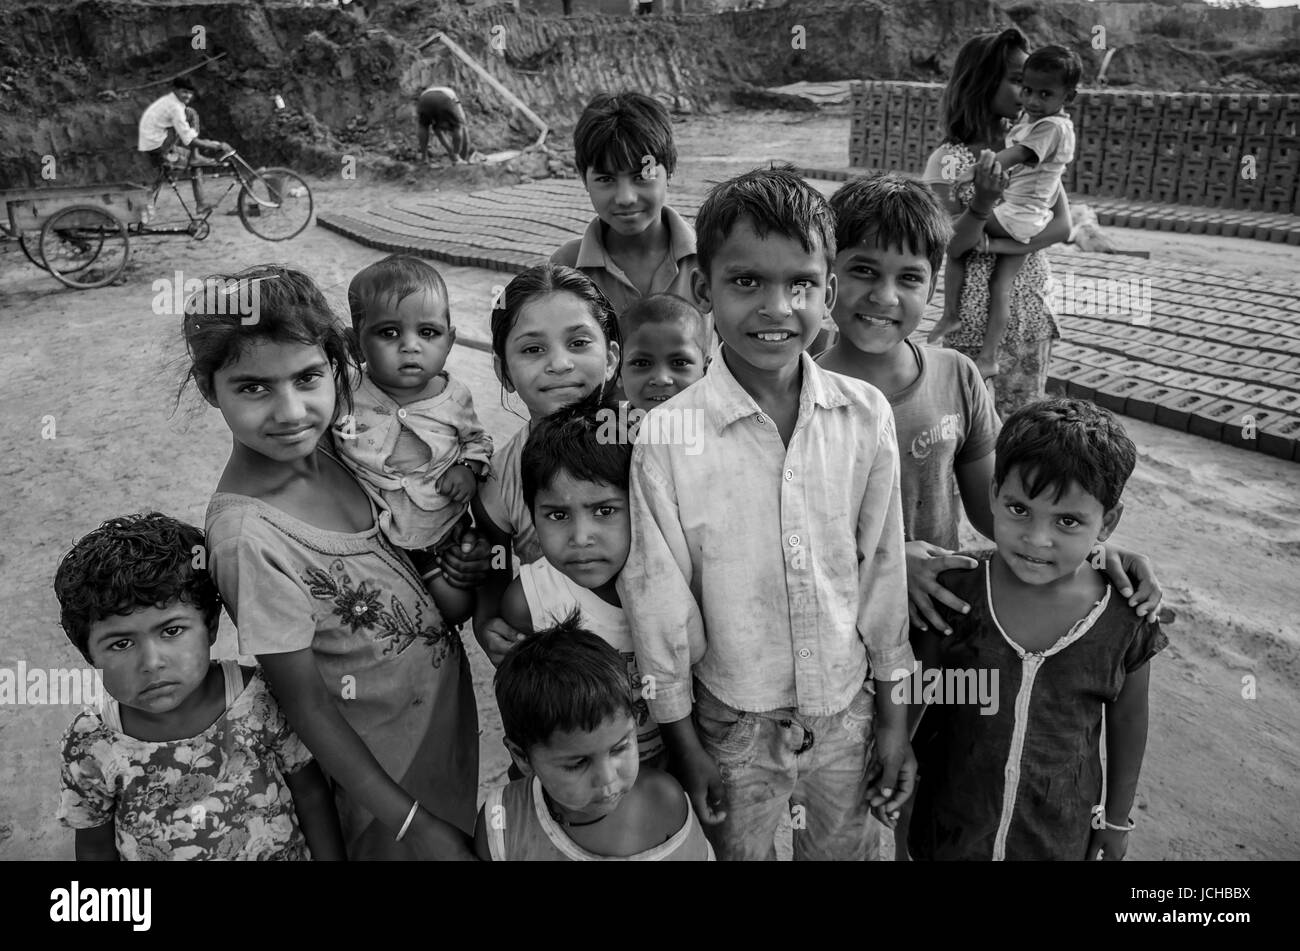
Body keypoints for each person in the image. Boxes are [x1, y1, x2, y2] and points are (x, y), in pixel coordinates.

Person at [816, 171, 1165, 859]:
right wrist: (883, 563)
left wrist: (1094, 554)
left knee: (945, 768)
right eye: (861, 270)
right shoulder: (801, 382)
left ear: (933, 281)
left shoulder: (955, 377)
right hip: (833, 632)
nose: (885, 297)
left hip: (939, 629)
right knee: (843, 810)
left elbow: (1001, 510)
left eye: (909, 278)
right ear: (827, 272)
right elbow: (777, 526)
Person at [620, 166, 915, 861]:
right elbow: (657, 603)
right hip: (732, 726)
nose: (776, 308)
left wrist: (893, 718)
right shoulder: (666, 437)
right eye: (746, 281)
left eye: (801, 285)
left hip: (847, 714)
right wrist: (685, 743)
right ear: (703, 289)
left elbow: (883, 574)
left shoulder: (863, 415)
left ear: (829, 293)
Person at [187, 266, 491, 860]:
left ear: (337, 365)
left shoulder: (341, 446)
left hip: (438, 731)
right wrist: (410, 824)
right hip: (379, 790)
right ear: (209, 387)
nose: (291, 410)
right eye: (253, 387)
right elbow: (306, 708)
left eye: (308, 377)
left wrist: (456, 571)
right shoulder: (249, 538)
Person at [907, 398, 1167, 861]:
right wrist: (896, 761)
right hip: (948, 826)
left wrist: (1115, 818)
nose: (1037, 539)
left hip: (1058, 832)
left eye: (1067, 521)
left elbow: (1127, 720)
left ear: (1107, 522)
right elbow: (919, 692)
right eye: (1019, 509)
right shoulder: (955, 592)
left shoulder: (1123, 617)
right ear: (992, 495)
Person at [55, 513, 344, 861]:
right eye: (120, 644)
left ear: (209, 625)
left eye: (172, 631)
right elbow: (94, 846)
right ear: (89, 654)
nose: (151, 662)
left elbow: (311, 795)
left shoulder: (261, 700)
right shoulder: (91, 742)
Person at [470, 264, 622, 667]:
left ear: (610, 358)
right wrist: (487, 622)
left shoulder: (648, 444)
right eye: (533, 349)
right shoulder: (500, 480)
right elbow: (495, 565)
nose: (559, 364)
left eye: (578, 343)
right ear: (504, 371)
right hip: (571, 679)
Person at [499, 397, 664, 766]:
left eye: (604, 511)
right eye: (557, 514)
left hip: (668, 769)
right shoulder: (529, 602)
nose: (580, 537)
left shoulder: (674, 584)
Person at [474, 613, 713, 861]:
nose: (608, 779)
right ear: (521, 757)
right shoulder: (502, 825)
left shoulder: (664, 802)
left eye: (620, 748)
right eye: (578, 763)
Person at [920, 28, 1071, 419]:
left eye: (1034, 84)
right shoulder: (948, 160)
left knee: (1021, 430)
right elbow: (951, 247)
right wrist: (983, 205)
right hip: (969, 323)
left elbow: (1061, 227)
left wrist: (1002, 246)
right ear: (982, 83)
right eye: (1018, 81)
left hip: (1028, 315)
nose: (1029, 93)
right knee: (967, 434)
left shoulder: (1034, 151)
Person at [334, 255, 493, 624]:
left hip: (440, 529)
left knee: (455, 609)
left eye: (428, 333)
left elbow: (478, 439)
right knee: (373, 612)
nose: (410, 346)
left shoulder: (453, 396)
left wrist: (469, 468)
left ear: (450, 341)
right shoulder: (346, 392)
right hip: (373, 536)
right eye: (389, 333)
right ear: (356, 343)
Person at [551, 92, 700, 323]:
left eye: (642, 176)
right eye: (606, 179)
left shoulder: (709, 258)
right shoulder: (565, 267)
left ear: (669, 172)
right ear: (583, 179)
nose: (625, 198)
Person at [137, 78, 228, 217]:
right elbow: (189, 139)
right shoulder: (175, 108)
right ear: (175, 90)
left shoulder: (171, 103)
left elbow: (187, 136)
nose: (188, 96)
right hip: (158, 149)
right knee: (193, 164)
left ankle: (195, 161)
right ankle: (200, 202)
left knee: (191, 114)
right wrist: (215, 145)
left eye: (190, 93)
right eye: (184, 92)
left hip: (157, 143)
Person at [619, 293, 710, 412]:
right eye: (642, 363)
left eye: (679, 363)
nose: (661, 379)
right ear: (618, 373)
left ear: (706, 370)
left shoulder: (724, 426)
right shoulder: (607, 428)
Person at [417, 86, 477, 164]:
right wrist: (458, 155)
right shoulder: (454, 100)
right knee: (458, 126)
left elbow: (440, 135)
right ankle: (457, 157)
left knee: (423, 125)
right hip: (444, 98)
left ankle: (424, 158)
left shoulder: (437, 126)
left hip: (424, 99)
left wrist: (450, 151)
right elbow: (463, 130)